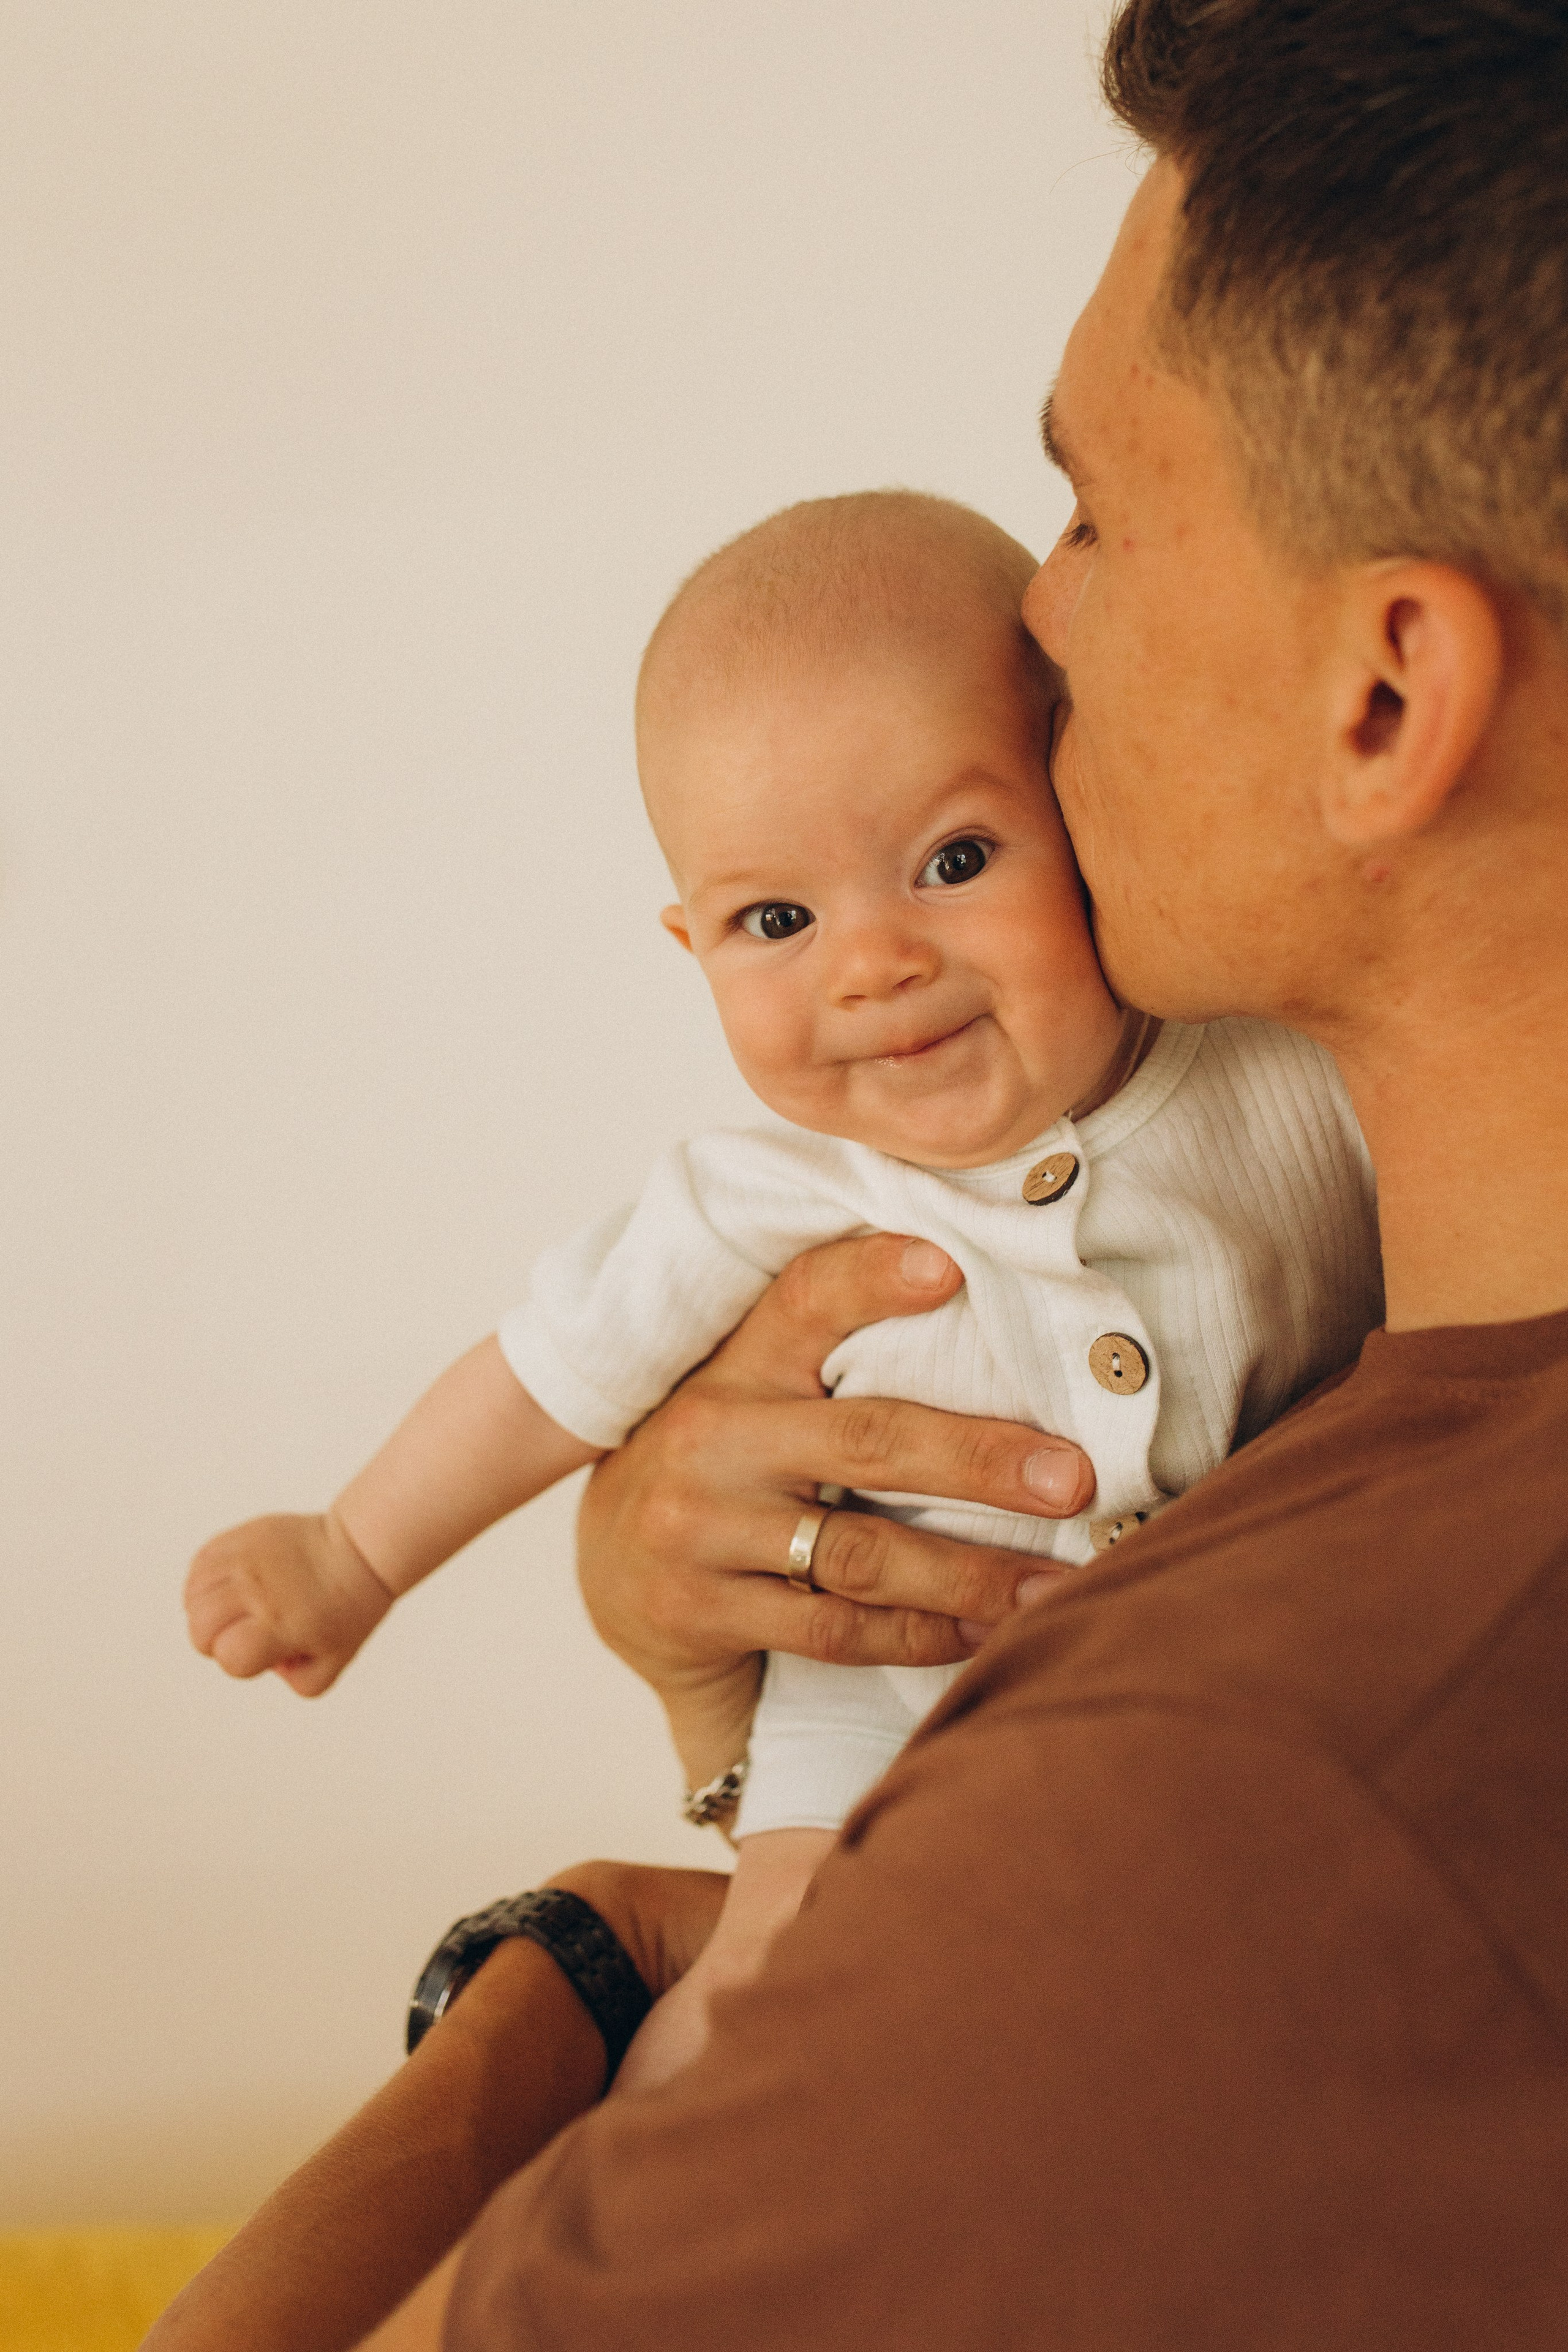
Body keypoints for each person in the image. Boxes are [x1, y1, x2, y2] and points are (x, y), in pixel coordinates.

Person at [149, 0, 1568, 2344]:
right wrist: (729, 1715)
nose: (1040, 622)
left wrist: (580, 1964)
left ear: (1389, 696)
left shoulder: (1249, 1800)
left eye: (1094, 514)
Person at [181, 486, 1379, 2093]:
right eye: (777, 919)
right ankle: (634, 2173)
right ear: (690, 947)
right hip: (883, 1699)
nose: (871, 962)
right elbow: (543, 1380)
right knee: (777, 2008)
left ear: (1087, 812)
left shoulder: (1284, 1076)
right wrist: (351, 1552)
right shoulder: (758, 1196)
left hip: (1240, 1710)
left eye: (953, 859)